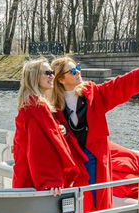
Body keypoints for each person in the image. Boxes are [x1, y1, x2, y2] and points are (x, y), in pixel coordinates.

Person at [49, 57, 139, 212]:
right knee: (78, 199)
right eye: (73, 71)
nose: (78, 72)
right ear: (60, 79)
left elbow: (116, 87)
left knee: (97, 197)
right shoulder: (53, 105)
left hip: (95, 158)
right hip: (74, 161)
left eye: (78, 68)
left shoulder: (91, 93)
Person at [12, 58, 86, 195]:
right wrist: (51, 180)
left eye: (52, 72)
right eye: (47, 73)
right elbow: (40, 148)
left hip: (26, 175)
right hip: (37, 184)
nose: (52, 75)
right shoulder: (38, 107)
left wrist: (59, 129)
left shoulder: (29, 104)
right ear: (34, 77)